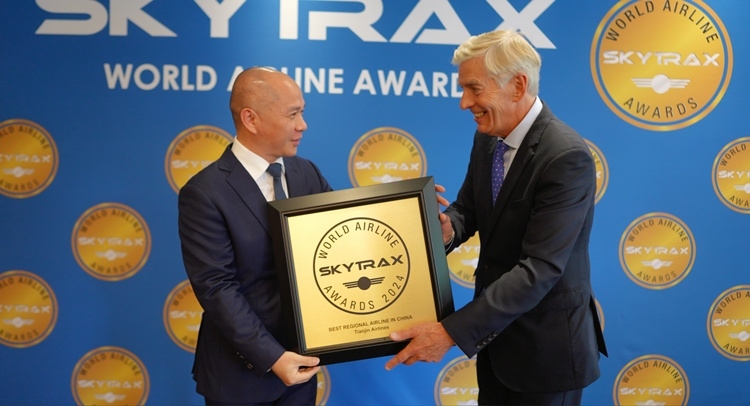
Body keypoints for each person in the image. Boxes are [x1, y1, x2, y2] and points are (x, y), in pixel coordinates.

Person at [385, 30, 608, 405]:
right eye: (463, 89)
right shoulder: (488, 137)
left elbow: (539, 268)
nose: (464, 103)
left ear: (517, 85)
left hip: (546, 357)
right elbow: (468, 209)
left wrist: (450, 333)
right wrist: (447, 230)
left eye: (474, 89)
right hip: (497, 347)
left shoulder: (564, 156)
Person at [178, 66, 331, 405]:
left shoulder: (306, 173)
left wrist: (418, 223)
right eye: (292, 114)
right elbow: (217, 288)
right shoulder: (204, 193)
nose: (303, 125)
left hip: (301, 371)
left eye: (302, 112)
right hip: (241, 378)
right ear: (251, 119)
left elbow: (343, 239)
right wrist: (274, 357)